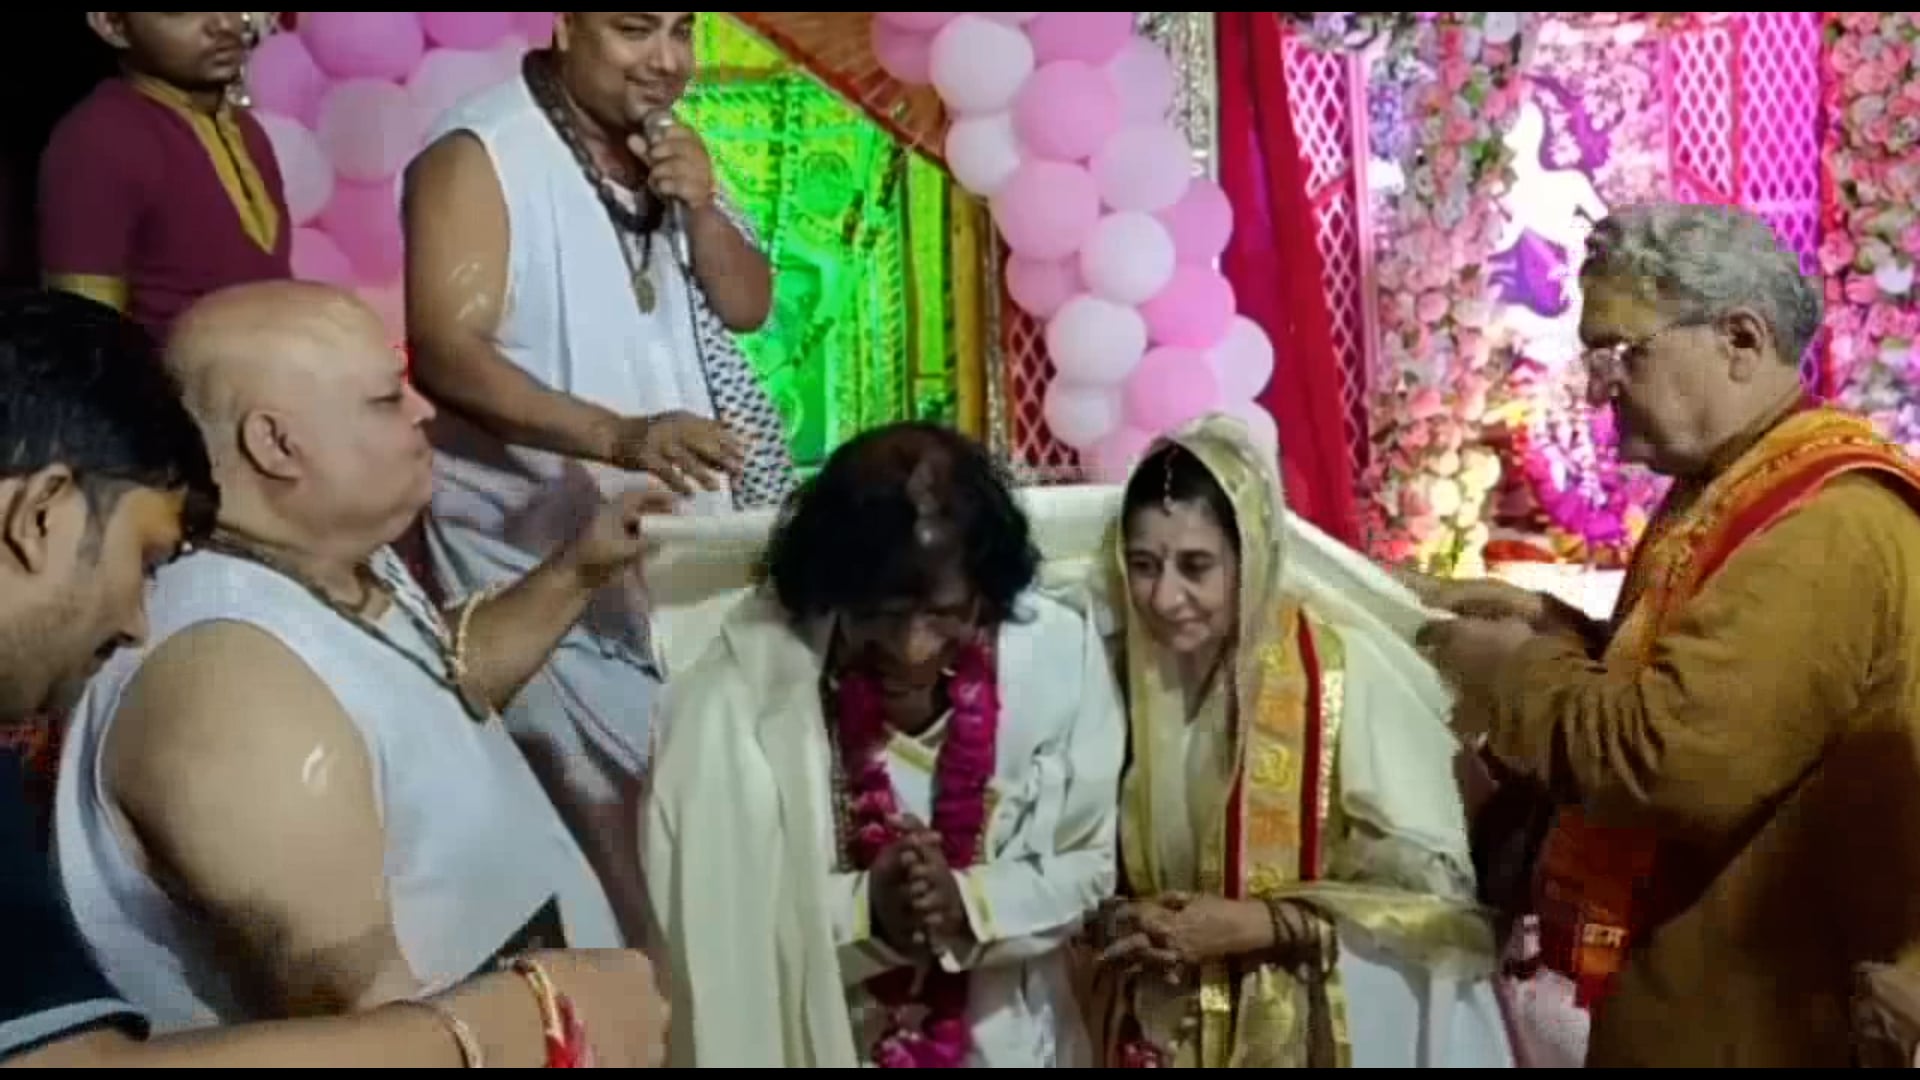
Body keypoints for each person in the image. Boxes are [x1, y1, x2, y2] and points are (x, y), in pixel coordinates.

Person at [0, 287, 666, 1066]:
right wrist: (517, 1023)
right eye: (387, 398)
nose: (139, 619)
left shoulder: (322, 573)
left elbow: (424, 698)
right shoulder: (227, 686)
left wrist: (579, 570)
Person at [1411, 202, 1920, 1067]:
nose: (1598, 386)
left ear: (1741, 339)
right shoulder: (1735, 484)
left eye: (1621, 351)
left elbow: (1668, 762)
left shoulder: (1826, 525)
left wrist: (1514, 671)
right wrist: (1553, 628)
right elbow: (1687, 688)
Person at [402, 10, 793, 931]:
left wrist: (703, 206)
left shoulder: (663, 149)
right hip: (534, 568)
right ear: (568, 24)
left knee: (705, 873)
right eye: (634, 29)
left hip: (674, 559)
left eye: (682, 32)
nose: (666, 60)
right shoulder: (481, 153)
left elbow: (747, 304)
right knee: (605, 884)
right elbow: (446, 353)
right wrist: (618, 437)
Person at [645, 422, 1122, 1067]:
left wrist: (968, 904)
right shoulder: (744, 703)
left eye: (943, 613)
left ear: (987, 589)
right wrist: (869, 908)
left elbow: (1088, 864)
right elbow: (722, 926)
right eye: (883, 614)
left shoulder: (1059, 655)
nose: (912, 648)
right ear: (835, 591)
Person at [1085, 414, 1513, 1068]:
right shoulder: (1119, 677)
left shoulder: (1342, 673)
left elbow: (1439, 908)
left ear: (1250, 559)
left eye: (1196, 566)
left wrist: (1260, 924)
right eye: (1144, 566)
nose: (1166, 597)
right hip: (1158, 1026)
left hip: (1315, 1024)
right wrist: (1125, 921)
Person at [41, 13, 290, 342]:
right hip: (167, 374)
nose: (223, 24)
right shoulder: (97, 138)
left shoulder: (249, 133)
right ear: (112, 25)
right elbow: (82, 339)